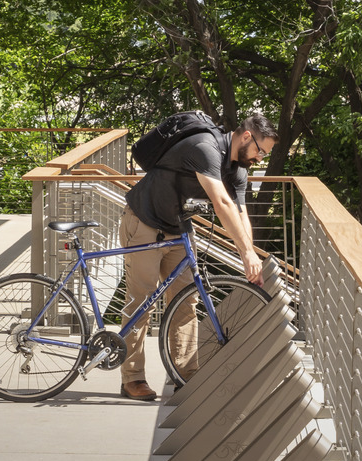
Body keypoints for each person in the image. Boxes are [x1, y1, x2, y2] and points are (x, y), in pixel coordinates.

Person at [117, 110, 277, 401]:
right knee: (141, 303)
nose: (259, 159)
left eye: (264, 155)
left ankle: (186, 375)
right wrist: (246, 253)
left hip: (178, 230)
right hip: (143, 222)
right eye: (260, 151)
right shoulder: (204, 147)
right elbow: (221, 202)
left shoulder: (238, 168)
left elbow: (241, 214)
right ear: (245, 136)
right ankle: (133, 378)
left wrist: (249, 255)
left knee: (186, 302)